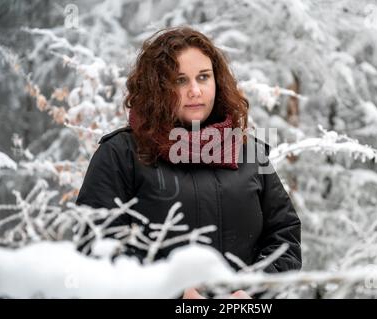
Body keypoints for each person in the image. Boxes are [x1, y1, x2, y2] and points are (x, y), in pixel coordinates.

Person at [75, 26, 301, 299]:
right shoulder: (121, 154)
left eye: (203, 77)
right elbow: (96, 244)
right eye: (180, 80)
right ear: (157, 88)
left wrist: (252, 292)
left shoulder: (248, 151)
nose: (195, 90)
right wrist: (174, 293)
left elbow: (284, 235)